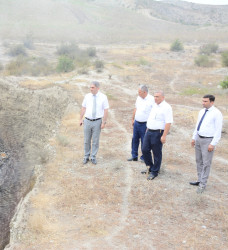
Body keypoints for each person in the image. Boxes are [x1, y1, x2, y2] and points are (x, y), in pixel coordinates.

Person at [190, 94, 223, 193]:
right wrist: (194, 137)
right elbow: (197, 126)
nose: (203, 103)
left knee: (206, 163)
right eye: (202, 101)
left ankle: (203, 184)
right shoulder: (201, 111)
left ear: (212, 102)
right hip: (199, 138)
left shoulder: (217, 113)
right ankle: (199, 180)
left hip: (208, 140)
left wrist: (213, 144)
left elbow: (218, 130)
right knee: (198, 160)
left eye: (205, 101)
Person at [142, 90, 173, 180]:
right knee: (144, 149)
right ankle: (150, 167)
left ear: (162, 97)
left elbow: (168, 122)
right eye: (154, 96)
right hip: (149, 131)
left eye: (157, 97)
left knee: (156, 152)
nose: (155, 98)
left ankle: (155, 171)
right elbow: (151, 117)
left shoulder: (167, 107)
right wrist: (147, 128)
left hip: (158, 132)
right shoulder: (154, 105)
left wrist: (164, 135)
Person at [79, 81, 109, 164]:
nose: (91, 89)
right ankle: (86, 156)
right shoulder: (87, 96)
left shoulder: (103, 97)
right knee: (86, 140)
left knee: (95, 141)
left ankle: (93, 157)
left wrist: (104, 122)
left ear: (97, 88)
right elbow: (83, 108)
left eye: (92, 87)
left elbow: (106, 110)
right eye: (90, 87)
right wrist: (80, 119)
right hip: (87, 121)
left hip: (97, 122)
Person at [128, 85, 155, 162]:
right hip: (137, 122)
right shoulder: (138, 98)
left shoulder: (151, 99)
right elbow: (135, 108)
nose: (138, 93)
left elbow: (153, 113)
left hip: (145, 124)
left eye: (139, 92)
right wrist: (133, 119)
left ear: (144, 92)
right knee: (134, 139)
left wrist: (149, 125)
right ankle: (134, 156)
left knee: (145, 141)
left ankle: (144, 157)